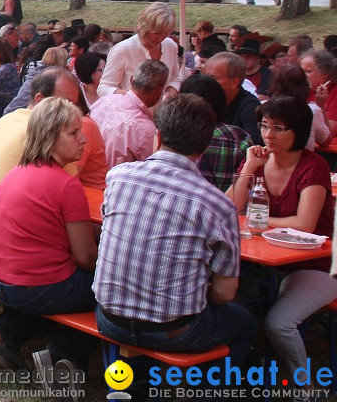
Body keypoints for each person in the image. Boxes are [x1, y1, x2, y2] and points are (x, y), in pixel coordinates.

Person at [94, 94, 254, 375]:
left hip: (108, 318)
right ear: (204, 147)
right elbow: (224, 293)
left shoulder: (118, 177)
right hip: (174, 331)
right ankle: (209, 391)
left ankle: (136, 383)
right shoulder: (217, 204)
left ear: (157, 136)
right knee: (245, 323)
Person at [0, 68, 81, 367]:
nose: (72, 111)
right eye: (64, 102)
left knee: (39, 272)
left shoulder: (8, 119)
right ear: (39, 100)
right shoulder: (44, 136)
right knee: (52, 276)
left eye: (76, 103)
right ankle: (51, 350)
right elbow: (71, 189)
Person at [0, 97, 96, 389]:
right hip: (33, 286)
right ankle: (62, 357)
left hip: (0, 279)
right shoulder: (66, 184)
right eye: (73, 133)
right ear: (49, 136)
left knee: (51, 292)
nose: (83, 140)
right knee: (108, 294)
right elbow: (85, 259)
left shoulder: (15, 174)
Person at [229, 96, 335, 387]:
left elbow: (304, 224)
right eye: (264, 126)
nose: (268, 135)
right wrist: (250, 167)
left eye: (278, 128)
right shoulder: (260, 158)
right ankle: (245, 370)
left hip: (313, 265)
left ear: (298, 131)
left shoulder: (313, 166)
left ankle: (306, 386)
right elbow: (230, 208)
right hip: (263, 262)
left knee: (279, 323)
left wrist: (256, 223)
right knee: (227, 303)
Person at [90, 59, 167, 168]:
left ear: (131, 80)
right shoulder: (146, 132)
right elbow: (150, 170)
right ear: (159, 91)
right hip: (112, 183)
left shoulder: (103, 101)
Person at [180, 74, 250, 191]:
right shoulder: (237, 137)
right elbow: (248, 181)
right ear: (221, 101)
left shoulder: (173, 134)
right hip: (227, 204)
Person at [98, 2, 180, 99]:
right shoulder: (123, 50)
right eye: (157, 33)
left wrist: (169, 93)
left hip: (162, 112)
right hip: (128, 111)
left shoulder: (170, 46)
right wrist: (130, 96)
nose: (161, 38)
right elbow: (103, 88)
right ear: (145, 27)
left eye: (166, 33)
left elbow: (176, 78)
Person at [207, 51, 262, 145]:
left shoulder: (250, 106)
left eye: (213, 78)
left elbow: (254, 144)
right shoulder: (204, 100)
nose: (206, 82)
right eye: (204, 77)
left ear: (234, 82)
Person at [300, 48, 337, 137]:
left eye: (308, 71)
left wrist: (320, 107)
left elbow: (328, 133)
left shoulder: (334, 91)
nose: (301, 75)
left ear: (326, 73)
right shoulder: (302, 89)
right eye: (301, 71)